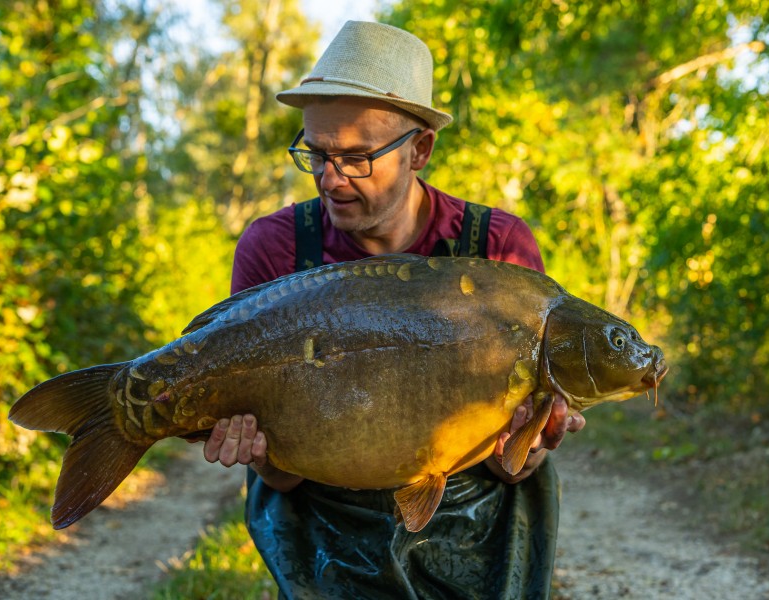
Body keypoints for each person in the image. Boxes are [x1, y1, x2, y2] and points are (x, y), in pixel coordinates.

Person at [202, 20, 585, 599]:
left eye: (356, 158)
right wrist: (257, 451)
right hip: (320, 514)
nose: (330, 179)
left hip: (473, 520)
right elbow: (279, 478)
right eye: (317, 154)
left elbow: (512, 470)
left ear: (420, 150)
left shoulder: (497, 249)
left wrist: (531, 443)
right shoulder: (275, 249)